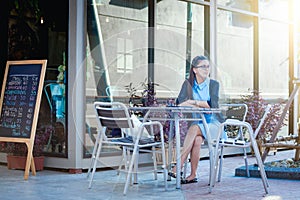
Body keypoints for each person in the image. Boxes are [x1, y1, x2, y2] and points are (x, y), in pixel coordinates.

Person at [169, 55, 226, 184]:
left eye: (208, 66)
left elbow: (213, 106)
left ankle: (178, 165)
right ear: (194, 69)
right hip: (199, 124)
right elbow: (180, 103)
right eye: (203, 66)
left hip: (215, 124)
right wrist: (200, 103)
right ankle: (193, 174)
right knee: (197, 139)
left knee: (194, 128)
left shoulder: (213, 84)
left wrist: (193, 102)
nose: (206, 69)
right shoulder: (188, 84)